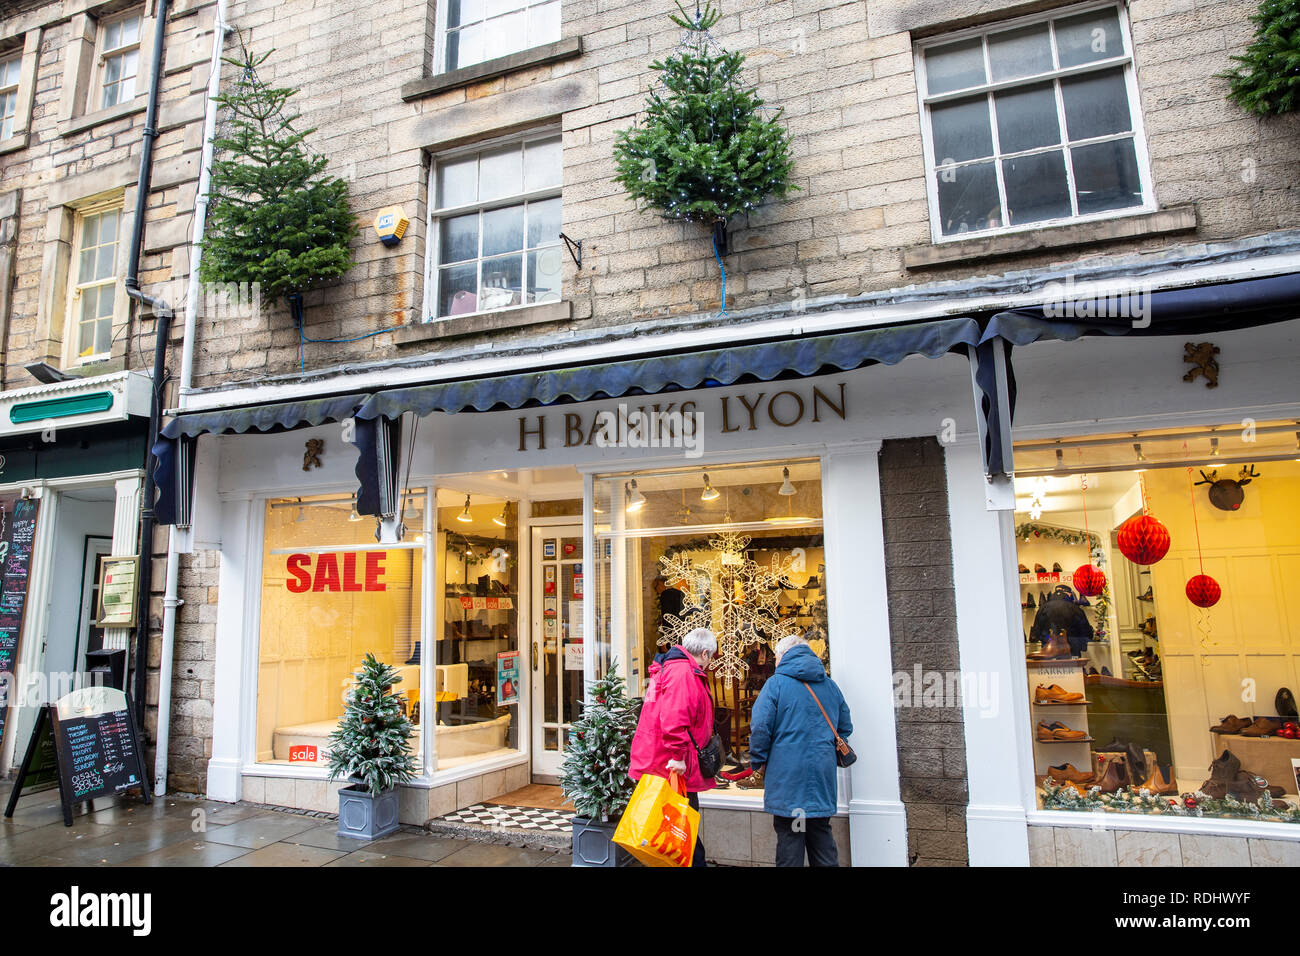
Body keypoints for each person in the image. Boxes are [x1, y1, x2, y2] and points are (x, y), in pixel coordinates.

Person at [748, 634, 852, 867]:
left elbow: (760, 729)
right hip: (822, 775)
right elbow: (845, 727)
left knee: (790, 842)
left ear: (783, 656)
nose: (775, 662)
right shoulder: (830, 685)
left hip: (788, 778)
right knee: (821, 838)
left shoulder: (775, 684)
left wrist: (759, 762)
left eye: (776, 657)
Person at [629, 627, 717, 867]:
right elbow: (675, 719)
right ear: (706, 653)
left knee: (682, 821)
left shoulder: (677, 668)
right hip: (672, 764)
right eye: (711, 658)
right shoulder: (683, 673)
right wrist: (678, 758)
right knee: (682, 822)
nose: (709, 664)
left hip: (666, 760)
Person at [1030, 584, 1094, 658]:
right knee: (1074, 669)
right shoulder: (1075, 609)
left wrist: (1048, 639)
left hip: (1049, 651)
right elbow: (1086, 633)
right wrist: (1081, 645)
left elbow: (1037, 633)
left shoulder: (1043, 608)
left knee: (1051, 668)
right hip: (1072, 650)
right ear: (1068, 594)